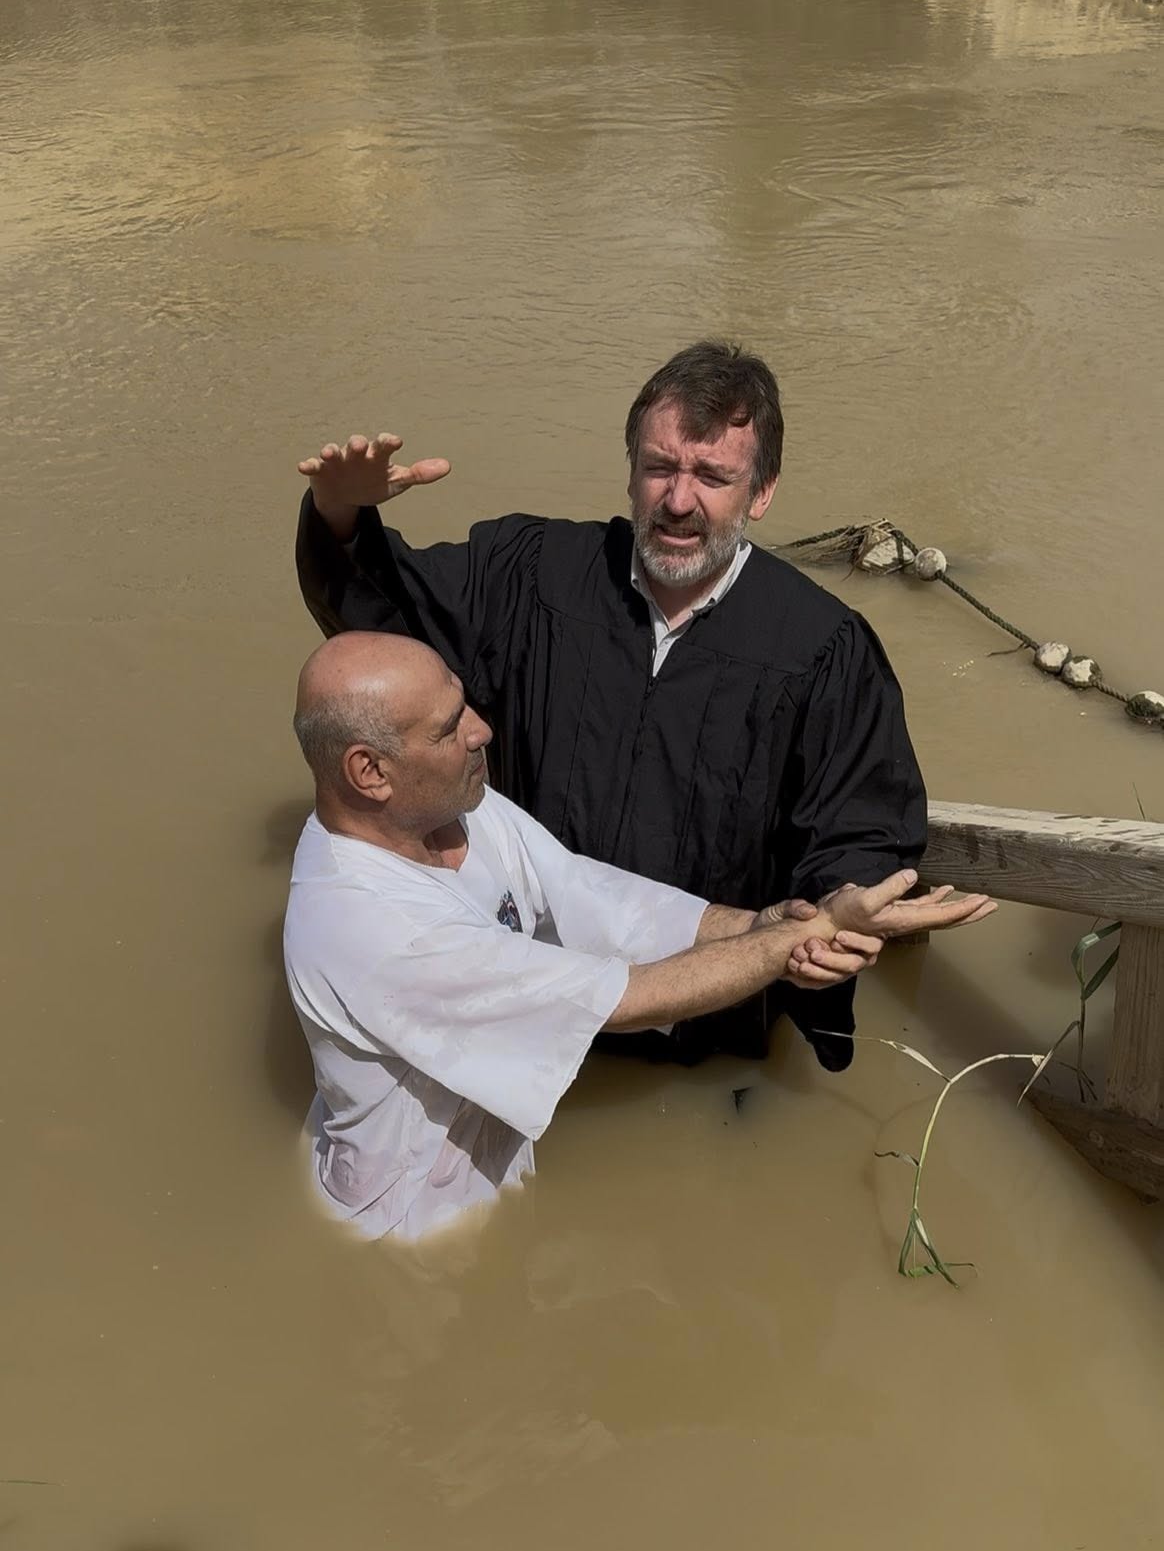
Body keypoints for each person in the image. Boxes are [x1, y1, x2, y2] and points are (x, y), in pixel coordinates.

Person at [295, 341, 989, 1074]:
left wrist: (823, 924)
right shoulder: (531, 573)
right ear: (630, 468)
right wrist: (340, 513)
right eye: (660, 468)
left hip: (706, 1017)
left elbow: (860, 821)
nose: (679, 500)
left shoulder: (822, 649)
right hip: (514, 994)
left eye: (714, 476)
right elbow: (381, 653)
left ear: (762, 492)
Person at [282, 632, 946, 1242]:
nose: (482, 729)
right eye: (449, 727)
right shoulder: (368, 924)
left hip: (489, 1170)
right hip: (407, 1232)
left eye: (466, 706)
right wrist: (802, 938)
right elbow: (624, 1000)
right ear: (370, 772)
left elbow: (586, 896)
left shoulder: (452, 810)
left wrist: (762, 924)